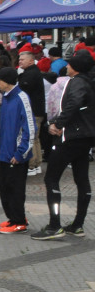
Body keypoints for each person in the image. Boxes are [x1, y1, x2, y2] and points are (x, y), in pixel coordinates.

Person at [33, 51, 95, 239]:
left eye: (69, 64)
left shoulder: (76, 82)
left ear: (75, 67)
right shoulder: (89, 82)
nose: (66, 66)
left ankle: (54, 225)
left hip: (70, 137)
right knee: (81, 178)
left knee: (51, 178)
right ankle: (77, 224)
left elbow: (73, 103)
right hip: (86, 137)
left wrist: (57, 124)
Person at [0, 67, 35, 234]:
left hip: (16, 154)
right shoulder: (6, 97)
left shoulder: (21, 98)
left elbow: (30, 128)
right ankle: (13, 217)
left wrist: (21, 152)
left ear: (7, 81)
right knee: (3, 184)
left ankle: (19, 221)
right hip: (5, 152)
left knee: (15, 188)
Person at [17, 46, 46, 176]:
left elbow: (23, 89)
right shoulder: (32, 72)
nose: (20, 61)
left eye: (22, 59)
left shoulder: (31, 74)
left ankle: (32, 165)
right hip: (37, 110)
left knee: (31, 137)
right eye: (19, 59)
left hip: (33, 111)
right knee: (35, 138)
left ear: (31, 61)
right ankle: (37, 163)